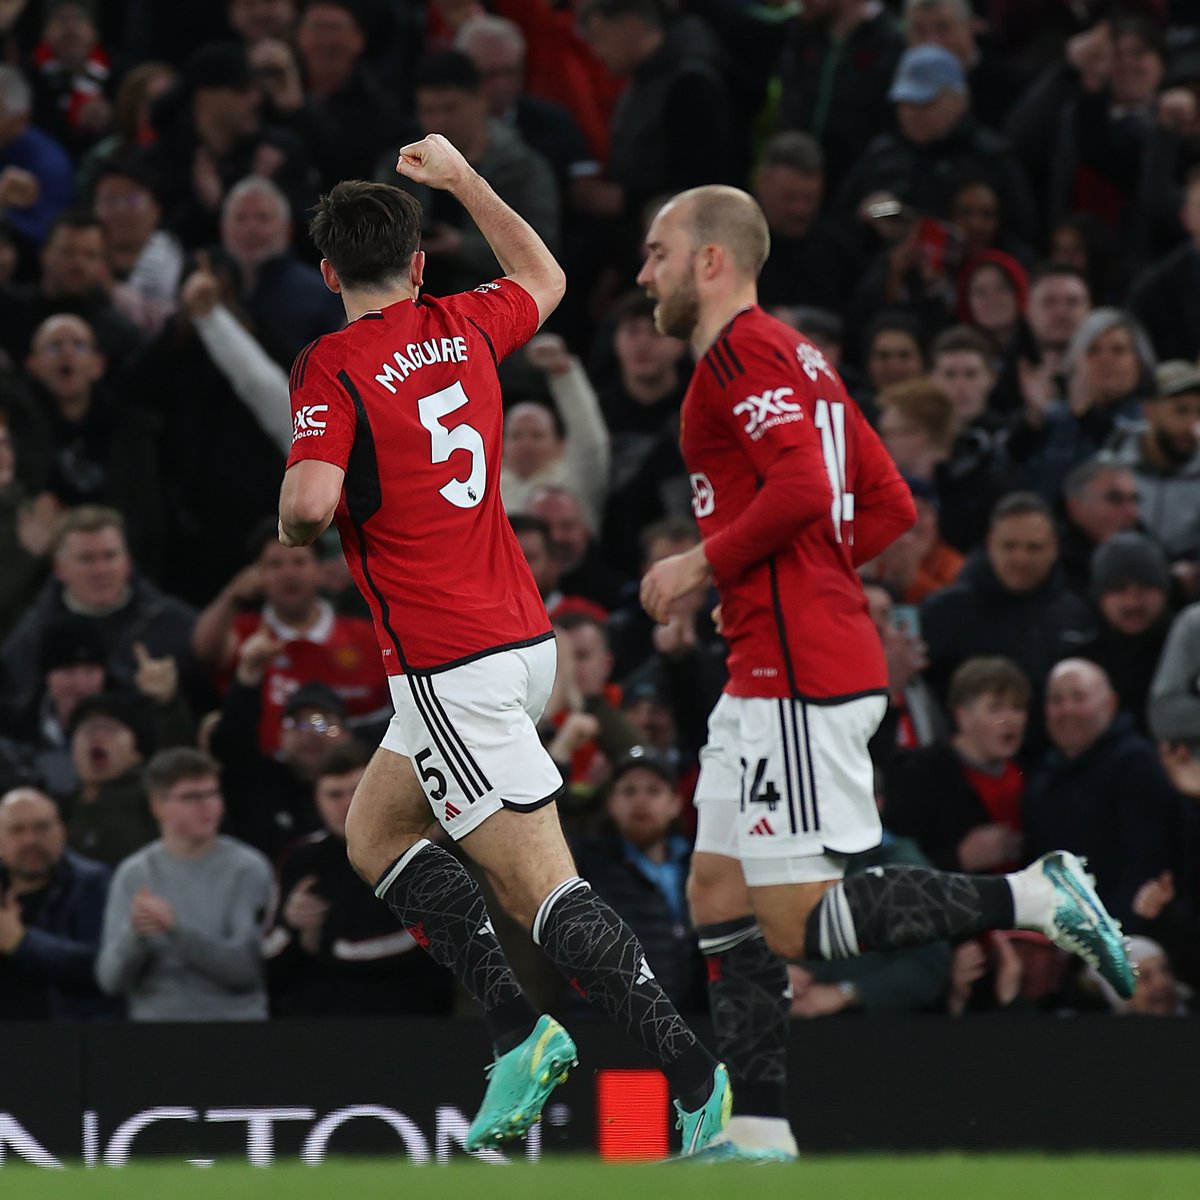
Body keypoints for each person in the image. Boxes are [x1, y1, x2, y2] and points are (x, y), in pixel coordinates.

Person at [635, 183, 1133, 1162]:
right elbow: (889, 502)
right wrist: (803, 564)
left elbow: (805, 486)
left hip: (797, 666)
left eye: (657, 252)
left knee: (796, 919)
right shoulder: (803, 361)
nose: (644, 271)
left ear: (710, 260)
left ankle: (1036, 897)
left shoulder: (742, 353)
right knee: (717, 888)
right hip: (771, 659)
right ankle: (758, 1132)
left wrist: (702, 562)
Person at [277, 138, 730, 1155]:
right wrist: (464, 180)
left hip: (445, 663)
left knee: (542, 888)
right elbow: (545, 275)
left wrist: (299, 515)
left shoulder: (333, 363)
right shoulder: (465, 323)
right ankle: (518, 1030)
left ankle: (696, 1077)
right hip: (524, 645)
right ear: (421, 264)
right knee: (376, 835)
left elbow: (308, 508)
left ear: (326, 273)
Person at [266, 742, 455, 1016]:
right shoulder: (300, 857)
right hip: (318, 1022)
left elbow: (424, 943)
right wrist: (290, 923)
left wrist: (324, 946)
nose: (347, 804)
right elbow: (268, 954)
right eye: (334, 794)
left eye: (356, 790)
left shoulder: (416, 850)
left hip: (410, 1018)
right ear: (316, 799)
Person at [95, 747, 273, 1020]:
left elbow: (246, 971)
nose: (207, 806)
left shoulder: (248, 868)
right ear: (158, 806)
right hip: (155, 1029)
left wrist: (174, 930)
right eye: (191, 797)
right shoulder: (134, 874)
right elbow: (110, 981)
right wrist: (135, 933)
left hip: (235, 1026)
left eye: (212, 793)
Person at [0, 786, 117, 1020]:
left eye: (41, 827)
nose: (30, 840)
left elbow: (102, 968)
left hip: (70, 1039)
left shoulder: (92, 883)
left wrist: (21, 942)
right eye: (17, 830)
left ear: (62, 832)